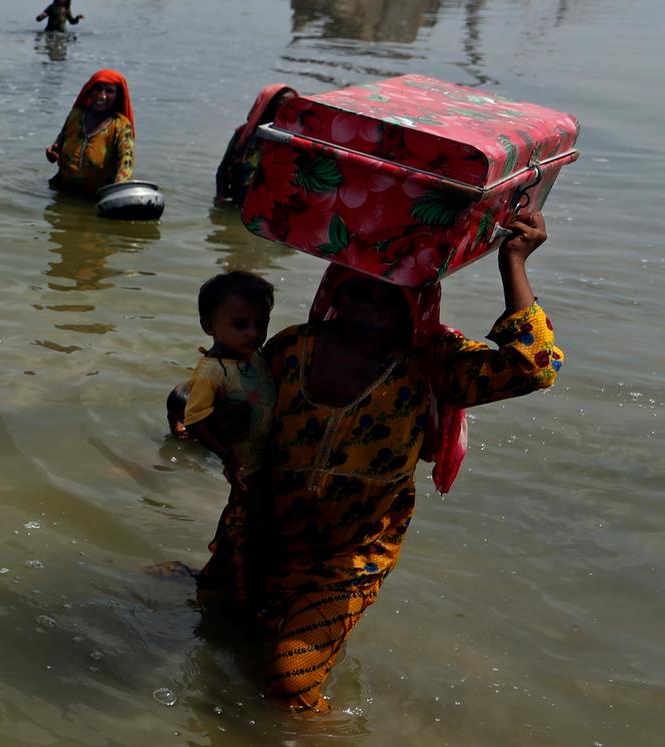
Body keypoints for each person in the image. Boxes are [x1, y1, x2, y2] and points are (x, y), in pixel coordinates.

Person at [198, 211, 562, 713]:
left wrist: (513, 261)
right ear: (336, 292)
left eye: (390, 298)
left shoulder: (433, 363)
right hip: (260, 529)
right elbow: (230, 398)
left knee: (289, 685)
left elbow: (532, 366)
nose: (370, 312)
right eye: (358, 293)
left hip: (349, 556)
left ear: (416, 302)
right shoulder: (292, 347)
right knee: (212, 623)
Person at [180, 271, 276, 484]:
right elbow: (195, 420)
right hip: (244, 464)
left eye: (261, 323)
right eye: (240, 325)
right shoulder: (211, 373)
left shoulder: (254, 355)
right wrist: (226, 456)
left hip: (268, 454)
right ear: (209, 326)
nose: (253, 333)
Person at [44, 69, 135, 196]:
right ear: (90, 91)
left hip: (96, 197)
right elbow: (59, 142)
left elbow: (126, 164)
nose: (102, 96)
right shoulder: (76, 115)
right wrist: (53, 153)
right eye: (98, 89)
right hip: (62, 190)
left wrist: (116, 195)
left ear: (117, 97)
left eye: (109, 91)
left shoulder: (121, 125)